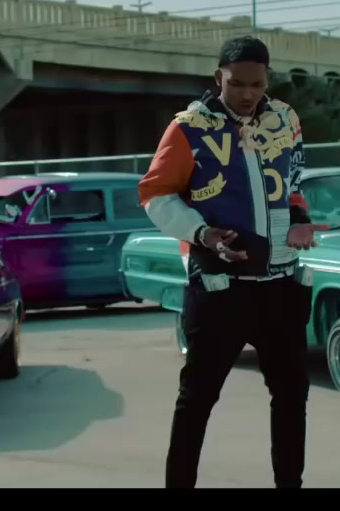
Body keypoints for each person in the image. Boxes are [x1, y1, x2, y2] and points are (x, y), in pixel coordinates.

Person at [137, 35, 327, 488]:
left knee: (292, 396)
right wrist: (202, 233)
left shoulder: (285, 120)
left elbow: (291, 186)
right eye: (236, 83)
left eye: (256, 84)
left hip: (280, 287)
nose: (247, 94)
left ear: (268, 80)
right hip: (219, 289)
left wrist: (300, 221)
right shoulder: (188, 128)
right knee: (197, 399)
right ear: (217, 77)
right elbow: (155, 193)